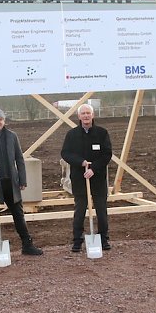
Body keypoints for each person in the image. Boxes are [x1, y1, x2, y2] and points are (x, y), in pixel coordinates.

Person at [0, 108, 43, 257]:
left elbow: (19, 159)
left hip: (11, 183)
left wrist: (22, 179)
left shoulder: (12, 136)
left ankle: (27, 245)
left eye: (0, 119)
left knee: (18, 214)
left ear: (4, 121)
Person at [61, 104, 113, 252]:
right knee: (80, 209)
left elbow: (107, 154)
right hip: (79, 177)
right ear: (79, 116)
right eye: (83, 113)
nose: (86, 116)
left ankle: (104, 239)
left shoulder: (102, 133)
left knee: (101, 210)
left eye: (88, 113)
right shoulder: (72, 134)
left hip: (97, 178)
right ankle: (77, 240)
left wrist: (93, 168)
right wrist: (81, 162)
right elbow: (65, 153)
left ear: (93, 115)